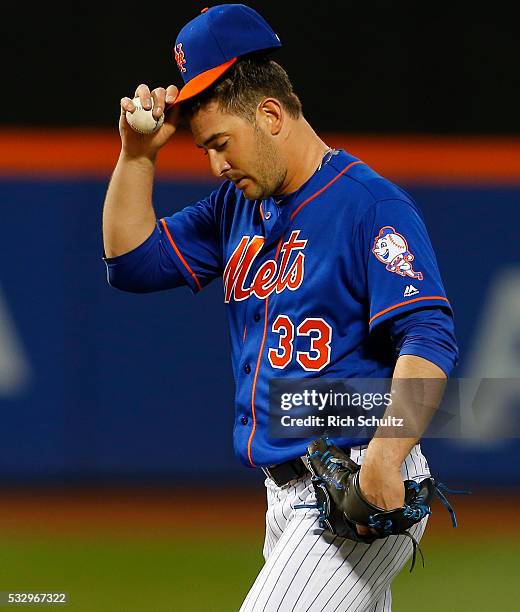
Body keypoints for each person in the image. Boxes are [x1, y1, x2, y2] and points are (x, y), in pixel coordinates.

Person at [102, 5, 458, 611]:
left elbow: (428, 335)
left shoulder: (368, 204)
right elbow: (132, 263)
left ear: (270, 115)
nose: (216, 165)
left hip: (352, 478)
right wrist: (137, 156)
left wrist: (388, 452)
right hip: (284, 499)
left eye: (221, 144)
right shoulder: (233, 208)